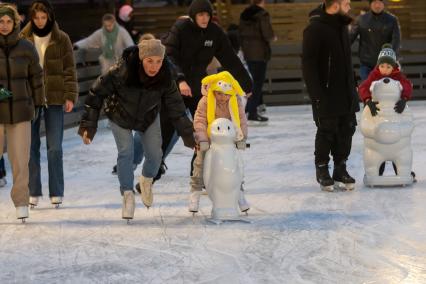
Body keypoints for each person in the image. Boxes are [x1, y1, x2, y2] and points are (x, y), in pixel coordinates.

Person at [78, 39, 195, 221]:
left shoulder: (165, 77)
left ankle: (147, 180)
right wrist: (88, 125)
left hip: (148, 115)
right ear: (141, 59)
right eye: (150, 61)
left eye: (158, 61)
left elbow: (177, 109)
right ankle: (127, 194)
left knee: (156, 155)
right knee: (126, 152)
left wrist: (190, 135)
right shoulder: (121, 71)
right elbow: (96, 93)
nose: (154, 66)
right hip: (120, 114)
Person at [21, 0, 78, 208]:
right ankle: (33, 190)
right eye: (36, 17)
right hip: (30, 99)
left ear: (49, 17)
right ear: (31, 17)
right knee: (31, 146)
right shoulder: (23, 38)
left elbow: (70, 69)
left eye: (43, 17)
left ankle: (57, 191)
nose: (40, 21)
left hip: (55, 99)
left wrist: (70, 95)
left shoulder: (62, 38)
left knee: (54, 147)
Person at [302, 0, 360, 192]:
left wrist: (353, 86)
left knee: (347, 129)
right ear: (335, 5)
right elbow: (308, 65)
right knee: (327, 130)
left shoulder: (342, 27)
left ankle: (340, 168)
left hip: (346, 90)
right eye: (346, 3)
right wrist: (316, 93)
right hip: (326, 92)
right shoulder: (316, 29)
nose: (349, 7)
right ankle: (322, 169)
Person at [162, 0, 252, 118]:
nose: (205, 18)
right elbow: (169, 55)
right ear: (194, 16)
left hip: (198, 86)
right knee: (170, 129)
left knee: (205, 127)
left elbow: (230, 59)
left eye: (207, 15)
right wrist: (180, 80)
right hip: (175, 86)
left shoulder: (215, 33)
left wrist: (245, 84)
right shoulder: (181, 28)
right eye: (201, 15)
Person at [0, 3, 44, 221]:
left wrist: (37, 105)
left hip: (21, 111)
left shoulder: (26, 47)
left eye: (9, 21)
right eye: (1, 21)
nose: (5, 25)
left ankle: (20, 202)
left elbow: (36, 78)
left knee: (20, 160)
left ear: (15, 23)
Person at [190, 71, 249, 213]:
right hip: (209, 139)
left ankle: (238, 190)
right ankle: (195, 191)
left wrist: (242, 138)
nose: (223, 98)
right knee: (200, 162)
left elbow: (241, 121)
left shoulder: (236, 101)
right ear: (214, 91)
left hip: (228, 141)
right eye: (220, 94)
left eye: (227, 94)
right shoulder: (205, 100)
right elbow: (200, 120)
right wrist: (203, 139)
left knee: (235, 164)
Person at [358, 43, 416, 179]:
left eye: (388, 67)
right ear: (378, 65)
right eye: (382, 66)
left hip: (396, 116)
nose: (384, 70)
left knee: (399, 148)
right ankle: (377, 171)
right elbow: (363, 87)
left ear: (393, 66)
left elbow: (407, 85)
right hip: (378, 117)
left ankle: (401, 171)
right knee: (378, 148)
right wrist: (368, 101)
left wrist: (404, 99)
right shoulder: (375, 75)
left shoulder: (398, 76)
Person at [239, 0, 276, 124]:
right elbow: (267, 33)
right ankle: (252, 112)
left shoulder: (244, 13)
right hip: (259, 52)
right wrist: (272, 37)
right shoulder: (262, 14)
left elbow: (241, 32)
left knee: (253, 81)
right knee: (257, 83)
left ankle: (254, 108)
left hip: (248, 51)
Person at [350, 0, 401, 81]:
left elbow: (396, 41)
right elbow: (350, 38)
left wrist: (390, 57)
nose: (377, 5)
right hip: (366, 64)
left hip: (386, 65)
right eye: (374, 2)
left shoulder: (392, 20)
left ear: (383, 3)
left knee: (385, 91)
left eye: (380, 2)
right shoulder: (361, 19)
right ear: (370, 4)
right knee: (367, 90)